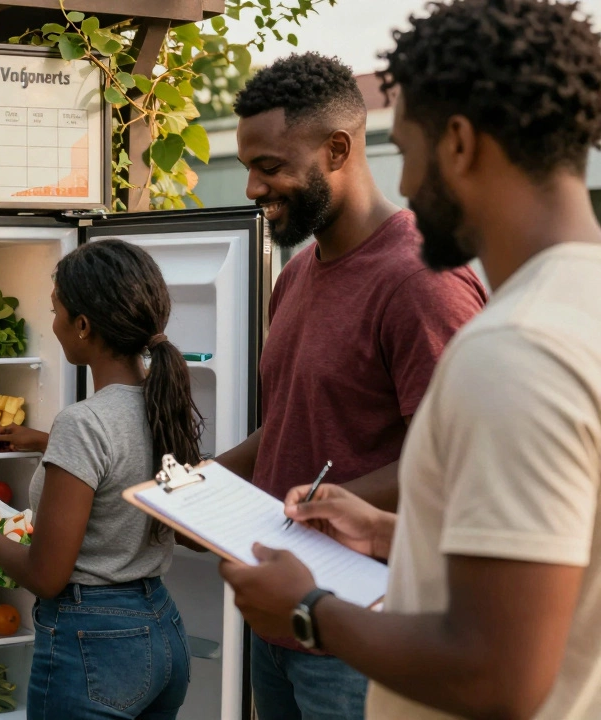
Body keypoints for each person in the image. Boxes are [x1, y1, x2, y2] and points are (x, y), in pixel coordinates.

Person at [220, 1, 601, 718]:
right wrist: (387, 528)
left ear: (456, 142)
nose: (410, 183)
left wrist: (309, 611)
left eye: (408, 146)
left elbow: (497, 675)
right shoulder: (579, 307)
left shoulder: (513, 350)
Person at [214, 51, 488, 720]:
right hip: (279, 629)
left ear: (338, 149)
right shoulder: (297, 274)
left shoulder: (422, 281)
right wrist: (202, 488)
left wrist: (306, 514)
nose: (251, 187)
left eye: (269, 166)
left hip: (363, 631)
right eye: (248, 166)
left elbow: (454, 459)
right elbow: (289, 422)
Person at [0, 239, 198, 719]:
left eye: (56, 311)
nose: (53, 324)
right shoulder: (158, 401)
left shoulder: (83, 422)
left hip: (94, 639)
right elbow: (125, 458)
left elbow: (47, 576)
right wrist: (46, 442)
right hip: (162, 630)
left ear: (83, 326)